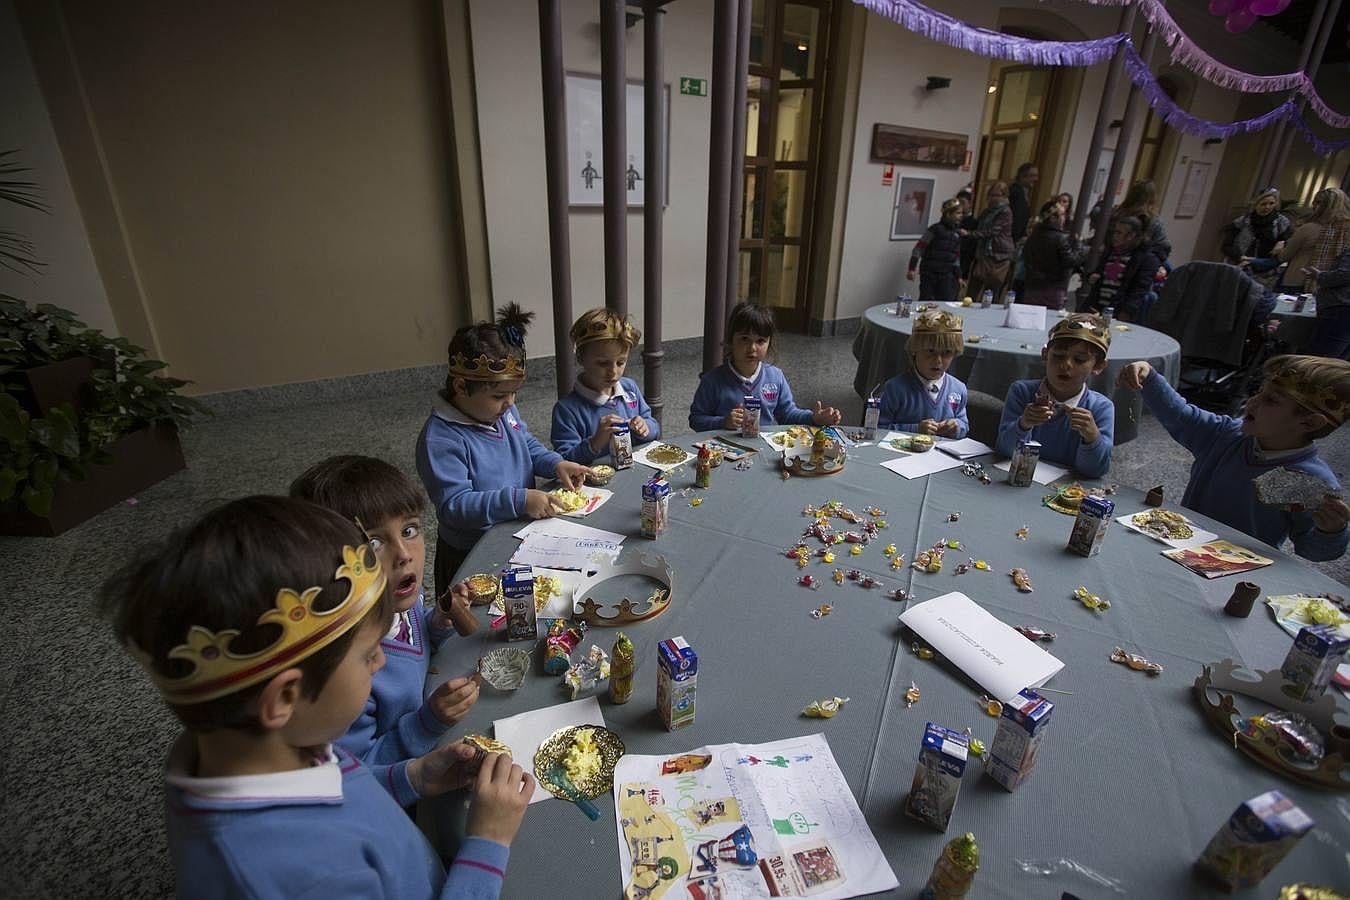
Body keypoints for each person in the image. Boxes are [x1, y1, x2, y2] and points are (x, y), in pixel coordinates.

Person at [98, 496, 534, 898]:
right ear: (285, 696)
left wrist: (415, 777)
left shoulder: (252, 744)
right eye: (368, 655)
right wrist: (486, 843)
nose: (382, 663)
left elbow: (341, 782)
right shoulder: (313, 877)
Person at [290, 455, 479, 807]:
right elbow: (355, 778)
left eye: (409, 530)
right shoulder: (347, 672)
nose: (404, 554)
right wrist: (427, 723)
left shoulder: (398, 602)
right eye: (374, 544)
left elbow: (412, 639)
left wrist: (435, 623)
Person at [416, 303, 590, 597]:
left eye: (513, 393)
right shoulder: (441, 440)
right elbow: (455, 506)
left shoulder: (500, 411)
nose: (510, 403)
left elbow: (527, 444)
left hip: (517, 533)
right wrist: (518, 500)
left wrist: (555, 463)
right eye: (499, 395)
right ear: (461, 386)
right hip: (470, 554)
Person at [1117, 355, 1350, 560]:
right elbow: (1182, 417)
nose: (1253, 401)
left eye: (1271, 400)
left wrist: (1331, 531)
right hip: (1174, 544)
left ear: (1309, 422)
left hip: (1236, 568)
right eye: (1260, 392)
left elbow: (1309, 548)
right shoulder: (1229, 436)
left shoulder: (1308, 479)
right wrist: (1149, 377)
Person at [689, 302, 841, 432]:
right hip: (723, 451)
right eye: (744, 339)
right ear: (731, 339)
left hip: (763, 450)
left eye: (760, 341)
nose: (752, 348)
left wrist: (814, 418)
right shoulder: (712, 381)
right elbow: (696, 419)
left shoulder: (775, 377)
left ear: (769, 343)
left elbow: (787, 414)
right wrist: (723, 422)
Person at [996, 313, 1115, 478]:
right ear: (1045, 355)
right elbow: (1004, 450)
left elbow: (1095, 471)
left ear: (1099, 365)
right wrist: (1024, 424)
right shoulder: (1022, 392)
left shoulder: (1101, 408)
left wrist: (1092, 437)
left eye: (1080, 360)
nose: (1066, 364)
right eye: (1058, 356)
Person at [551, 308, 660, 464]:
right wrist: (595, 442)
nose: (613, 372)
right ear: (581, 358)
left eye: (621, 362)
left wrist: (645, 428)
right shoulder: (566, 410)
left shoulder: (630, 388)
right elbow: (564, 460)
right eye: (603, 363)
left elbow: (654, 427)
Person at [877, 310, 968, 437]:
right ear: (914, 349)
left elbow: (964, 424)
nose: (938, 360)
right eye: (930, 351)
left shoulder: (959, 389)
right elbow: (878, 429)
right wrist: (915, 429)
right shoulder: (894, 389)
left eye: (947, 352)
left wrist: (957, 427)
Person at [1270, 187, 1350, 294]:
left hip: (1298, 279)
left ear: (1318, 206)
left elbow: (1284, 256)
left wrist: (1280, 247)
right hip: (1329, 286)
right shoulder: (1346, 230)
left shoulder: (1309, 228)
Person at [1083, 216, 1162, 322]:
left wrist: (1126, 312)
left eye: (1119, 233)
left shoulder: (1146, 259)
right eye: (1115, 232)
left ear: (1131, 236)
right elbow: (1098, 273)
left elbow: (1139, 289)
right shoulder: (1110, 253)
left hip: (1119, 312)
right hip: (1097, 309)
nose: (1114, 236)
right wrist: (1091, 277)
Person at [1021, 200, 1086, 310]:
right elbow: (1070, 261)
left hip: (1032, 286)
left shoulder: (1034, 236)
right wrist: (1079, 245)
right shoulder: (1060, 238)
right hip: (1053, 288)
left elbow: (1026, 256)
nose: (1064, 218)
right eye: (1062, 215)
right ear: (1052, 218)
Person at [961, 181, 1014, 305]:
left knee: (991, 291)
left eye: (996, 195)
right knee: (973, 289)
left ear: (1004, 196)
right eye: (991, 195)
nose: (992, 198)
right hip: (983, 254)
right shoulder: (986, 212)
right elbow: (979, 226)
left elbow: (992, 231)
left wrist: (969, 234)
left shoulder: (1005, 212)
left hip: (998, 256)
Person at [906, 198, 965, 303]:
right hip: (929, 274)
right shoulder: (934, 230)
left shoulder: (957, 233)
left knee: (946, 303)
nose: (961, 216)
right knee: (926, 303)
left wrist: (959, 276)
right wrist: (912, 268)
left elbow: (956, 257)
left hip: (946, 275)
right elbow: (918, 249)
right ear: (948, 214)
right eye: (958, 213)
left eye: (961, 213)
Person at [1223, 187, 1294, 263]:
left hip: (1264, 266)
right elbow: (1226, 246)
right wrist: (1239, 257)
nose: (1267, 207)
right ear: (1256, 204)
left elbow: (1289, 243)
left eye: (1271, 203)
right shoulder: (1242, 221)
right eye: (1264, 204)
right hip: (1239, 263)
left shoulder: (1281, 222)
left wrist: (1283, 243)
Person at [1307, 243, 1350, 359]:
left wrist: (1319, 276)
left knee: (1320, 359)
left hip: (1340, 308)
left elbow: (1345, 275)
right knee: (1337, 363)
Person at [1111, 180, 1171, 262]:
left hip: (1114, 256)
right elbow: (1164, 247)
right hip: (1139, 261)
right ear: (1152, 199)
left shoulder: (1117, 214)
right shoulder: (1154, 221)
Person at [1009, 162, 1038, 244]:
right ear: (1022, 176)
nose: (1036, 179)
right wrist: (1017, 240)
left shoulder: (1024, 192)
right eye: (1032, 176)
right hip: (1012, 240)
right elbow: (1016, 219)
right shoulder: (1016, 192)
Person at [956, 187, 979, 282]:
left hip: (963, 260)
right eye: (958, 203)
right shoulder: (953, 220)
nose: (960, 206)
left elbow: (971, 248)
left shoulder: (974, 223)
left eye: (963, 203)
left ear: (970, 204)